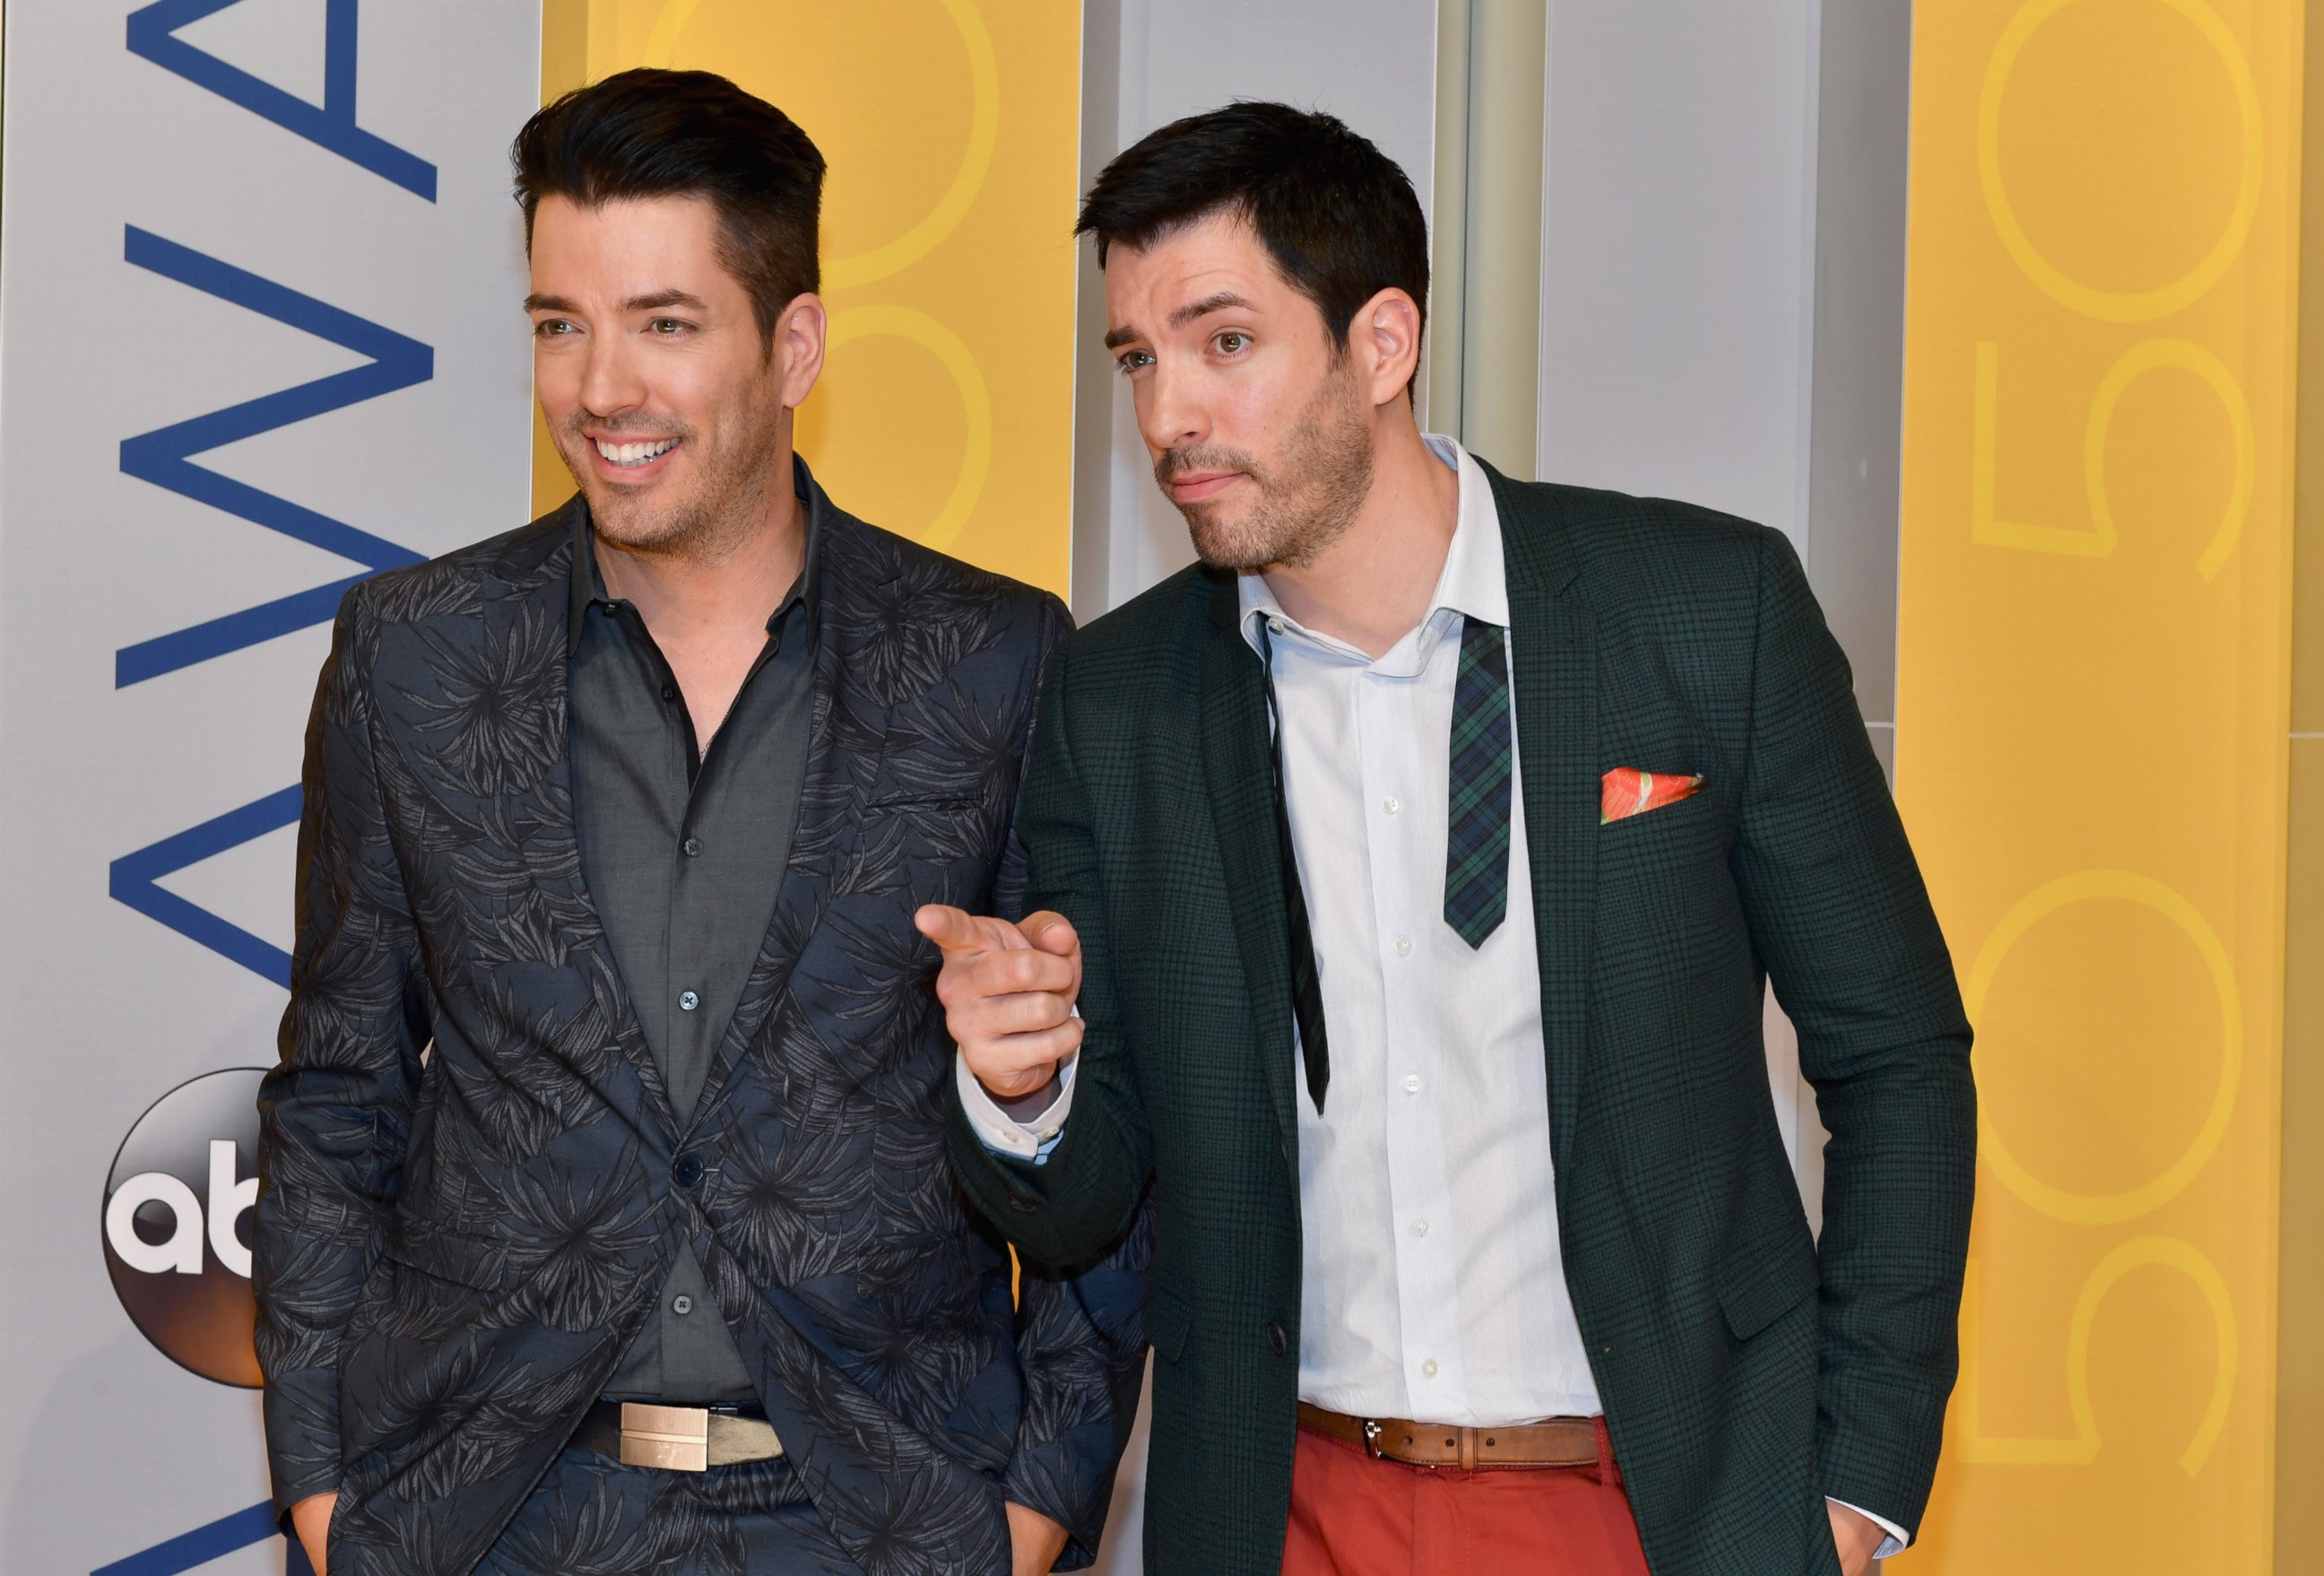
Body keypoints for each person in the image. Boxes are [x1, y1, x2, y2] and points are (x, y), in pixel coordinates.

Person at [923, 102, 1975, 1576]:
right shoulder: (1119, 699)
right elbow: (1099, 1194)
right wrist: (1023, 1082)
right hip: (1284, 1507)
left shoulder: (1702, 614)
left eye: (1224, 343)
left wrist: (1856, 1486)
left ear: (1382, 344)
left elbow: (1898, 1051)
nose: (1167, 417)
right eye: (1137, 358)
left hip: (1658, 1498)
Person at [255, 69, 1145, 1576]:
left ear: (792, 344)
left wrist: (1036, 1500)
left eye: (665, 324)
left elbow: (1096, 1099)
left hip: (873, 1518)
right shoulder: (412, 654)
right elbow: (340, 1097)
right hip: (487, 1520)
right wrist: (330, 1495)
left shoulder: (995, 660)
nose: (602, 388)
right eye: (560, 324)